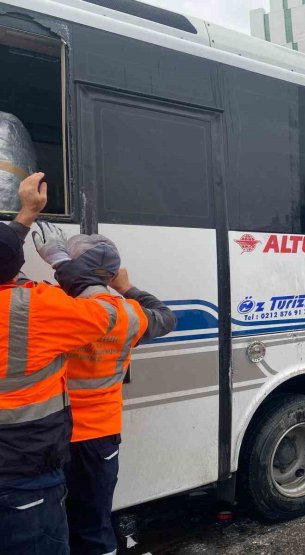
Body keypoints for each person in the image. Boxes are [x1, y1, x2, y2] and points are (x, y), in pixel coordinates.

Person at [0, 173, 116, 555]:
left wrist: (23, 221)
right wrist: (60, 258)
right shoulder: (35, 307)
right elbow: (104, 312)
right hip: (24, 473)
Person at [50, 233, 176, 555]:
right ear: (111, 274)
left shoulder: (56, 307)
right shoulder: (129, 314)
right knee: (94, 522)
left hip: (55, 434)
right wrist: (126, 287)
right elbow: (165, 316)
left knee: (53, 524)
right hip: (102, 437)